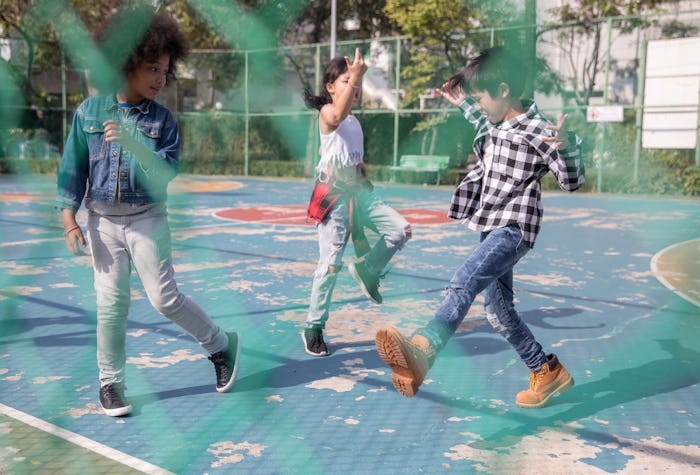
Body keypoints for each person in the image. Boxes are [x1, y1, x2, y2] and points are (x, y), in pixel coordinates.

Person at [375, 46, 585, 408]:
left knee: (465, 279)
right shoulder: (495, 122)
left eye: (481, 97)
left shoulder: (540, 130)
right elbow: (478, 118)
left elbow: (572, 181)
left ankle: (424, 347)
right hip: (493, 226)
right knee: (498, 312)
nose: (480, 105)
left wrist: (566, 149)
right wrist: (461, 98)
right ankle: (546, 371)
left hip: (514, 228)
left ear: (503, 90)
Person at [55, 9, 240, 417]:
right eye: (152, 68)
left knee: (164, 299)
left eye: (165, 70)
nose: (161, 79)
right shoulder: (88, 112)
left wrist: (135, 142)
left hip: (147, 218)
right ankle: (110, 384)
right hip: (101, 220)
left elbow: (164, 175)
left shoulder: (164, 121)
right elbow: (73, 168)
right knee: (111, 305)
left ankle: (220, 344)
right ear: (125, 64)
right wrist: (68, 219)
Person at [301, 48, 412, 356]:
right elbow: (336, 115)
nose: (356, 87)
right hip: (334, 198)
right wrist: (359, 75)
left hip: (361, 194)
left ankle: (368, 270)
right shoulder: (327, 113)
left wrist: (362, 173)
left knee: (400, 230)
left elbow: (358, 163)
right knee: (331, 264)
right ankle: (314, 326)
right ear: (330, 87)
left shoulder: (356, 123)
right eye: (348, 81)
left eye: (358, 82)